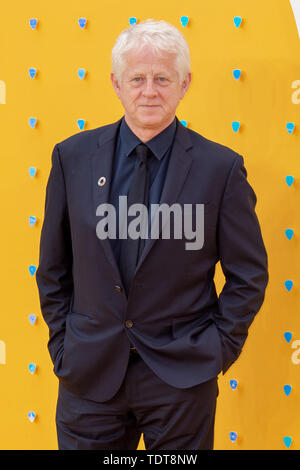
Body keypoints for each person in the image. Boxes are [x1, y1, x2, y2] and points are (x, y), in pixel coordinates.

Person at [35, 18, 269, 450]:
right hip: (88, 375)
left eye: (163, 78)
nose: (149, 91)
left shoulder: (222, 169)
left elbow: (249, 274)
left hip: (182, 378)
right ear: (116, 84)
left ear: (185, 84)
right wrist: (63, 347)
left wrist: (218, 348)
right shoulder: (72, 157)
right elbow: (53, 267)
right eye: (137, 78)